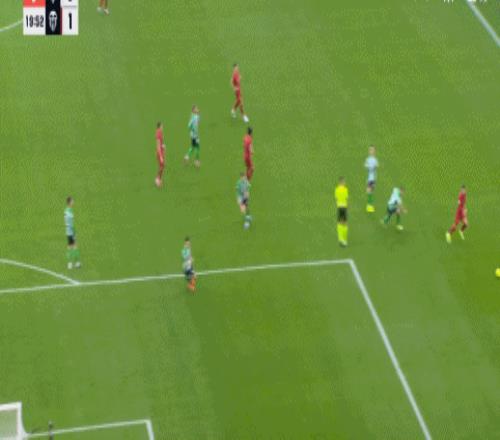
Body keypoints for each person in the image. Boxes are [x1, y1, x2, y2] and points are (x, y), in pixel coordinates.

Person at [64, 196, 81, 269]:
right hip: (71, 232)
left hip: (67, 231)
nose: (73, 202)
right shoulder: (70, 211)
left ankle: (69, 264)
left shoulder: (65, 210)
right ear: (69, 202)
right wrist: (74, 233)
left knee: (69, 247)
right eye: (72, 201)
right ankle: (77, 263)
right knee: (75, 247)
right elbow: (71, 224)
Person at [334, 177, 349, 247]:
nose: (345, 183)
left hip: (339, 207)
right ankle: (344, 240)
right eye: (344, 182)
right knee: (345, 223)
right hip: (344, 207)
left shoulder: (336, 189)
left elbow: (336, 198)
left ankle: (340, 239)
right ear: (342, 182)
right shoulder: (345, 189)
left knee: (339, 223)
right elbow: (346, 198)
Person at [364, 146, 379, 213]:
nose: (372, 151)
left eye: (373, 150)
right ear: (369, 151)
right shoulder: (368, 159)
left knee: (371, 191)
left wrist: (373, 167)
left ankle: (369, 205)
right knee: (369, 191)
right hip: (370, 178)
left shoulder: (375, 159)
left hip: (373, 178)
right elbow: (366, 166)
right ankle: (369, 206)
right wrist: (370, 167)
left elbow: (376, 167)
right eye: (371, 150)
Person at [155, 122, 166, 187]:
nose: (162, 127)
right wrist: (161, 156)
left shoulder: (160, 132)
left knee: (162, 166)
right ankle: (157, 179)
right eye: (162, 126)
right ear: (159, 126)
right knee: (161, 166)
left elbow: (160, 143)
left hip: (161, 151)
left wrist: (163, 145)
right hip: (160, 152)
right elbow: (158, 145)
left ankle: (159, 179)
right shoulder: (158, 133)